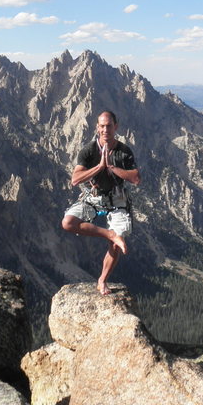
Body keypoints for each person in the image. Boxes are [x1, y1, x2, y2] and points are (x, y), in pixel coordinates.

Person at [62, 110, 141, 295]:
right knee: (68, 222)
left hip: (117, 198)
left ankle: (102, 280)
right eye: (102, 126)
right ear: (97, 128)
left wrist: (112, 167)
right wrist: (99, 167)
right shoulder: (89, 150)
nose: (105, 129)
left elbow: (136, 178)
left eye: (109, 126)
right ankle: (110, 234)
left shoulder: (123, 151)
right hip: (95, 196)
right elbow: (75, 179)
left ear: (116, 127)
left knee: (117, 241)